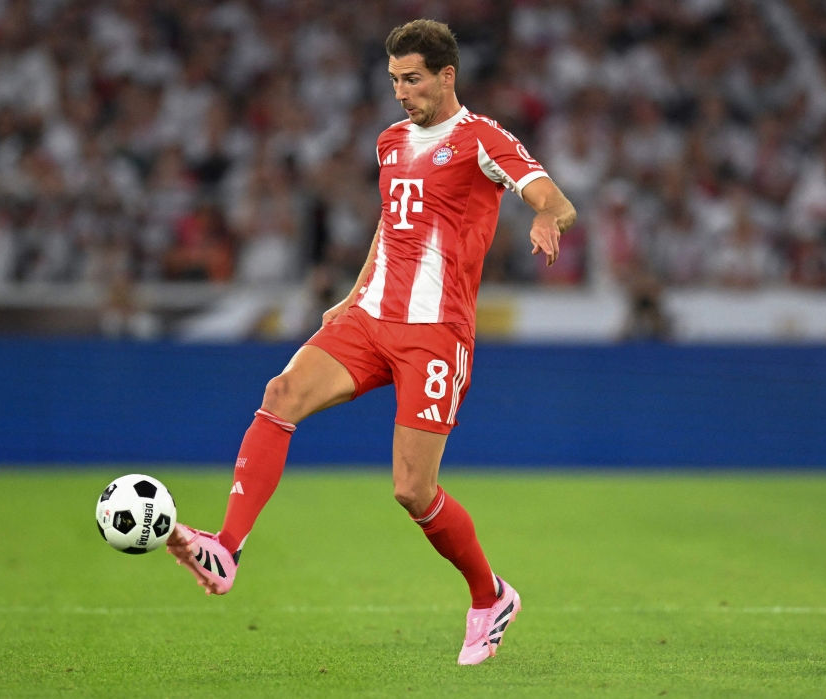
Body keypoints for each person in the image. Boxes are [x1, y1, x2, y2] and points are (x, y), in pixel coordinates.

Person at [166, 19, 576, 666]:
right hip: (370, 317)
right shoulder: (390, 142)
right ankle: (226, 547)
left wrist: (548, 219)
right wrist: (353, 294)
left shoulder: (482, 139)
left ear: (446, 76)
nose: (401, 92)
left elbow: (551, 196)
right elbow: (392, 225)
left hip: (436, 333)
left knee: (413, 489)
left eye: (412, 79)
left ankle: (491, 594)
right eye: (393, 80)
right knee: (281, 392)